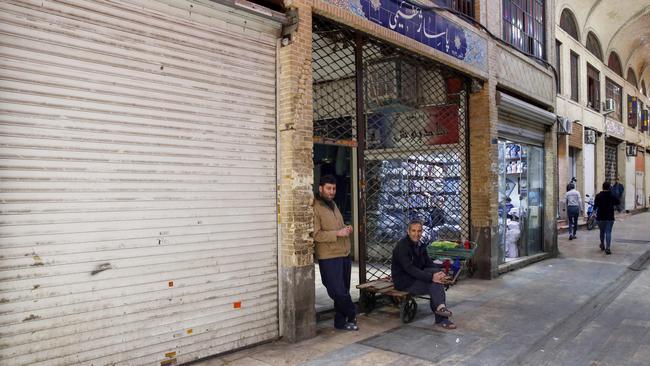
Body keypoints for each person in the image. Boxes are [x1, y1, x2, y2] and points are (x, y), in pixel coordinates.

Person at [391, 220, 456, 329]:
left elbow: (428, 262)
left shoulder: (420, 245)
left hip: (417, 276)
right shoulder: (402, 246)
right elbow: (409, 269)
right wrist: (431, 277)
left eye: (419, 231)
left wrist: (439, 272)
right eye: (413, 231)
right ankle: (441, 316)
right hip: (405, 281)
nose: (416, 234)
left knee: (437, 277)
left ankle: (441, 309)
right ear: (408, 231)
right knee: (434, 283)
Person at [313, 175, 357, 331]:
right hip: (329, 256)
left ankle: (340, 322)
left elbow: (338, 226)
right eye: (328, 188)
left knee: (344, 290)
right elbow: (316, 234)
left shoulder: (333, 204)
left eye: (334, 188)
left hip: (344, 253)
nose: (332, 192)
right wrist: (337, 234)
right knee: (336, 291)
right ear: (320, 188)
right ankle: (352, 312)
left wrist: (346, 228)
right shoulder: (315, 207)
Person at [594, 181, 620, 255]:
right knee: (608, 232)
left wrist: (593, 214)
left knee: (602, 232)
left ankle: (602, 245)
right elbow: (618, 202)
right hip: (609, 217)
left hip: (600, 217)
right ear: (609, 187)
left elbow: (595, 206)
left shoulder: (598, 195)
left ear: (602, 187)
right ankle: (608, 248)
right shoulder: (612, 195)